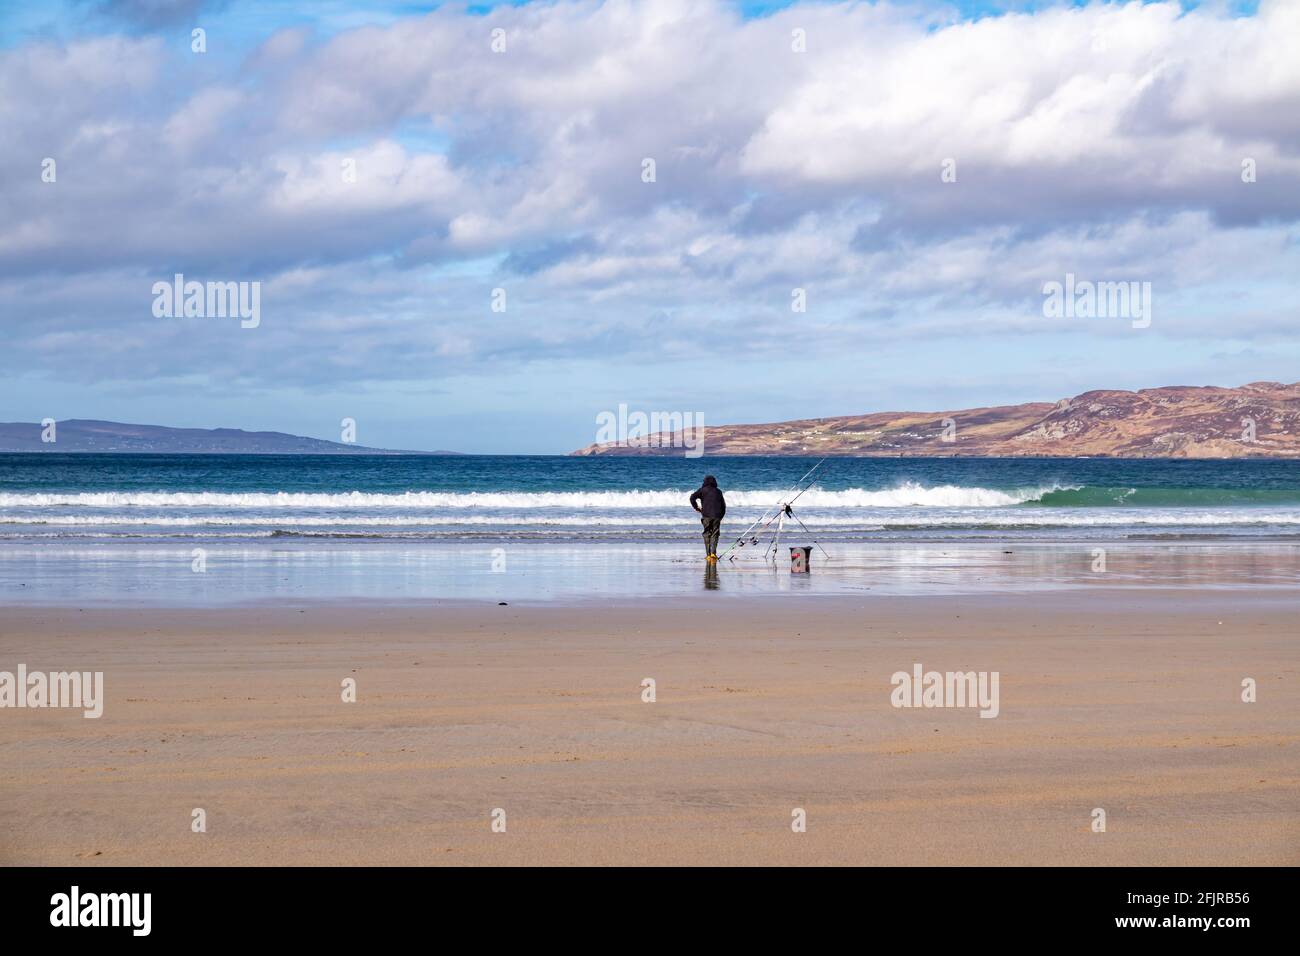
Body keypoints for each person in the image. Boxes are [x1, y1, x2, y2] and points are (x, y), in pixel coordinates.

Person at [689, 474, 726, 563]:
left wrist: (696, 508)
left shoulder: (702, 490)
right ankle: (713, 553)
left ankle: (708, 555)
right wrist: (720, 517)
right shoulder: (719, 491)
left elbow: (692, 497)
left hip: (706, 516)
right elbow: (723, 506)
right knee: (715, 534)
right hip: (717, 516)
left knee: (707, 534)